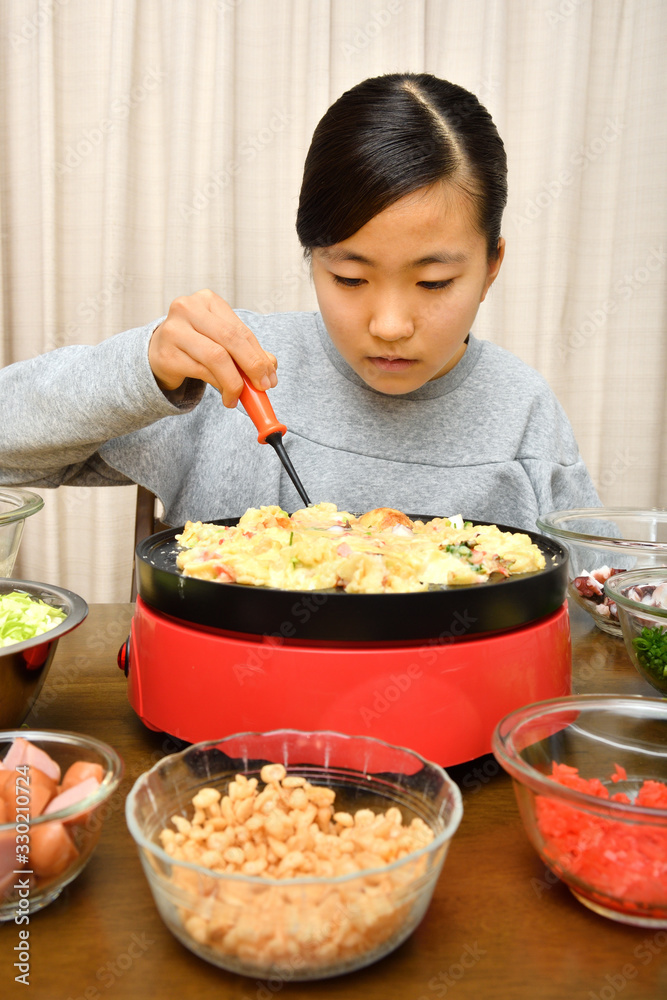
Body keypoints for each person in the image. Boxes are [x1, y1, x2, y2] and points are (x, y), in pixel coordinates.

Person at [0, 73, 600, 530]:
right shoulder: (228, 373)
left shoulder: (524, 414)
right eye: (349, 278)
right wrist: (143, 367)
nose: (389, 326)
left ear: (493, 265)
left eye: (434, 282)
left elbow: (600, 606)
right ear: (312, 256)